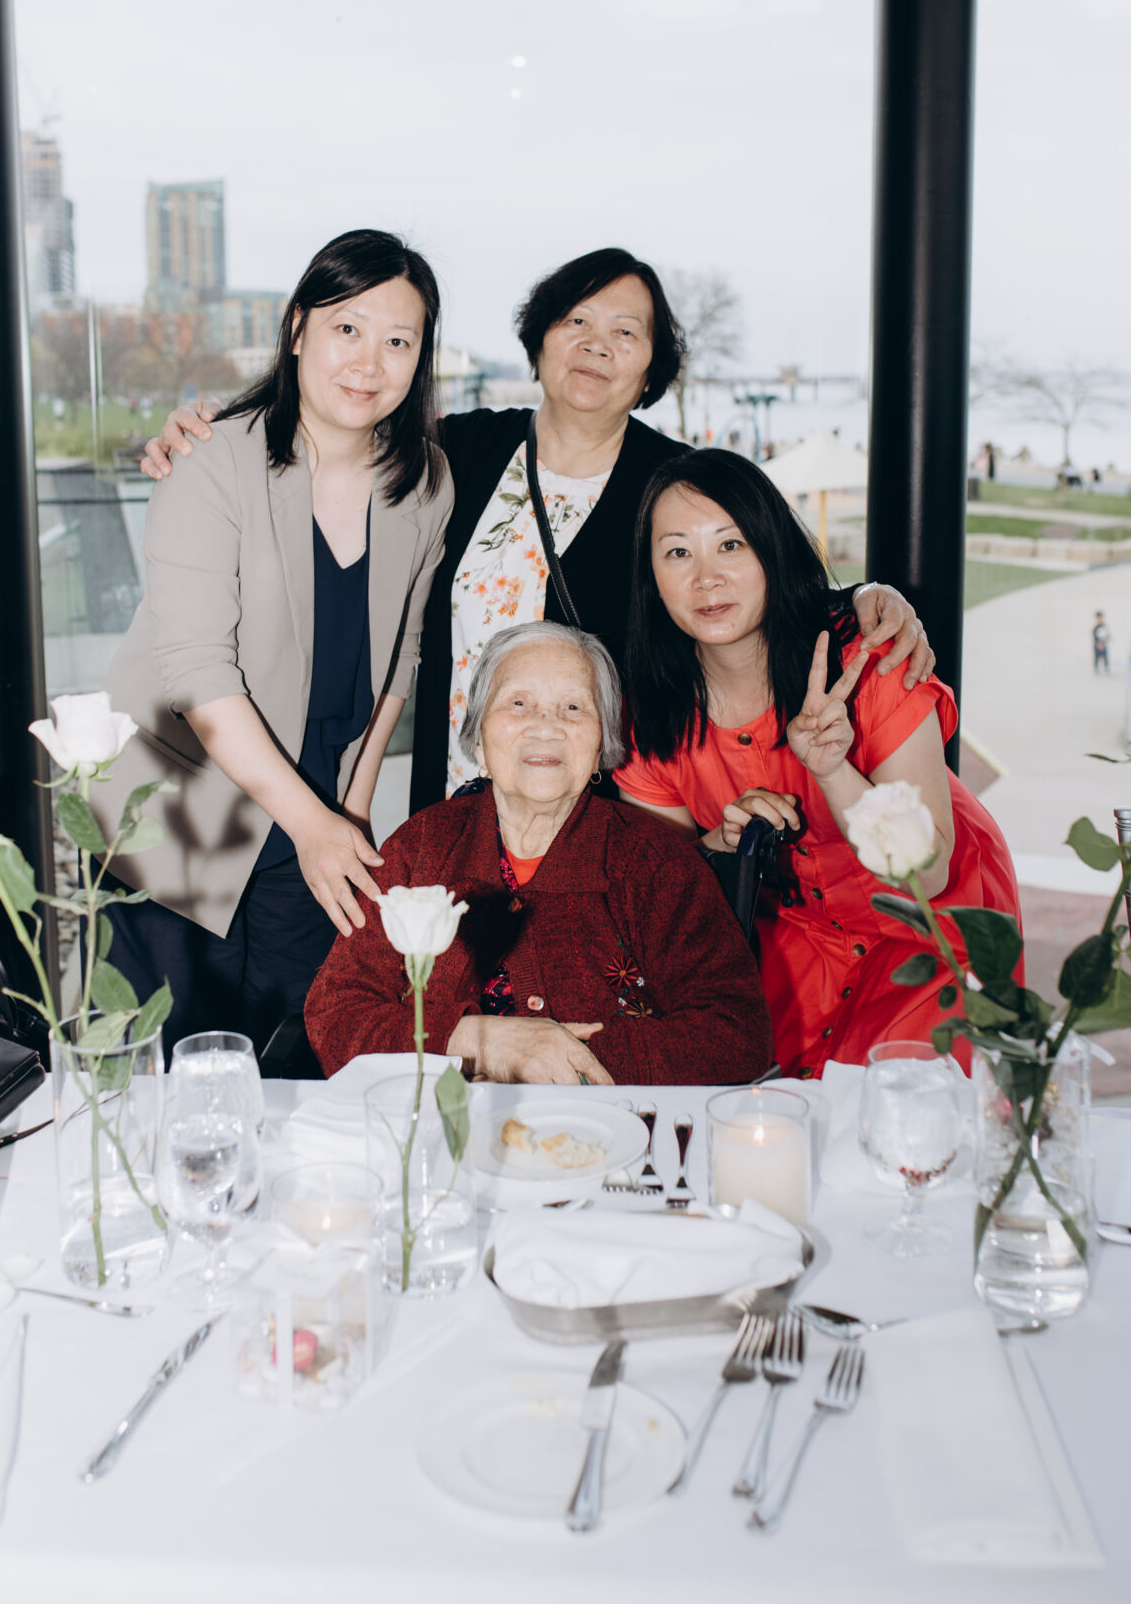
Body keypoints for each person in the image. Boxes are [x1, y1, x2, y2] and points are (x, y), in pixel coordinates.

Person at [144, 248, 936, 813]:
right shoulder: (457, 450)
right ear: (540, 338)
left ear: (651, 368)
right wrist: (206, 424)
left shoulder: (677, 484)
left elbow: (760, 581)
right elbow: (331, 432)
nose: (596, 344)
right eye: (576, 319)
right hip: (451, 801)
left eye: (626, 333)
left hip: (598, 815)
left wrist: (871, 595)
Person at [90, 229, 454, 1071]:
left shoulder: (426, 482)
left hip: (318, 803)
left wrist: (350, 808)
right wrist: (315, 823)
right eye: (347, 328)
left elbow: (403, 654)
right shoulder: (212, 458)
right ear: (297, 329)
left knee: (305, 1052)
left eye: (398, 341)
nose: (369, 362)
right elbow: (198, 672)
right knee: (172, 1065)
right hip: (182, 802)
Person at [614, 448, 1021, 1080]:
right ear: (651, 576)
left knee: (891, 1098)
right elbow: (659, 891)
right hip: (794, 936)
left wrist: (834, 771)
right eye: (677, 553)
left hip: (929, 922)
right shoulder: (650, 718)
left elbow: (930, 869)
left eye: (730, 545)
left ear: (772, 549)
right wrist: (718, 843)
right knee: (760, 1102)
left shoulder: (870, 663)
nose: (706, 578)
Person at [305, 621, 773, 1085]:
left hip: (602, 1126)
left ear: (602, 742)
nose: (546, 726)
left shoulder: (655, 863)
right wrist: (476, 1043)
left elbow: (737, 1033)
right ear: (479, 737)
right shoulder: (422, 845)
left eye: (573, 707)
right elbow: (335, 1012)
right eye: (518, 703)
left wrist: (564, 1059)